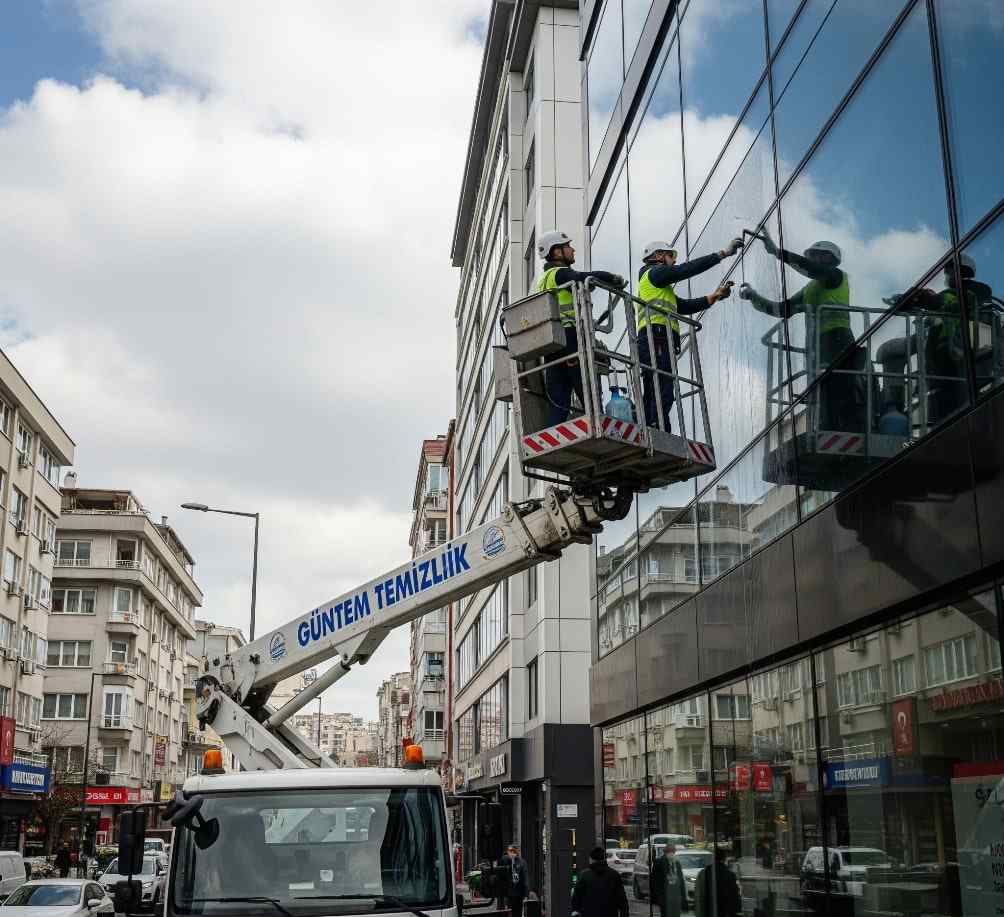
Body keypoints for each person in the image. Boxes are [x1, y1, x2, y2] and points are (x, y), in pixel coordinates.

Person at [740, 233, 866, 432]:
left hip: (838, 339)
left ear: (828, 258)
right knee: (823, 394)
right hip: (817, 347)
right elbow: (781, 310)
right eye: (811, 255)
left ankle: (847, 430)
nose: (811, 259)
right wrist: (754, 297)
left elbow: (811, 269)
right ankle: (828, 429)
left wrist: (777, 253)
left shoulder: (835, 275)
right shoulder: (810, 289)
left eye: (815, 255)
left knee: (841, 390)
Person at [636, 239, 740, 431]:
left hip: (655, 338)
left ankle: (654, 427)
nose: (674, 261)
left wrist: (715, 296)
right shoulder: (654, 273)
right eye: (670, 256)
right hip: (656, 336)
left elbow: (683, 306)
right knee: (663, 389)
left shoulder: (656, 285)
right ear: (658, 256)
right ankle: (655, 427)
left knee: (655, 388)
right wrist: (722, 254)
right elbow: (685, 270)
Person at [536, 230, 626, 426]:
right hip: (569, 338)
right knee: (588, 393)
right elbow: (583, 277)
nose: (573, 249)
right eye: (568, 246)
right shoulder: (561, 273)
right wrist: (612, 278)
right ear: (557, 252)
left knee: (559, 402)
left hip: (552, 344)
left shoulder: (543, 279)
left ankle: (554, 442)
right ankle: (601, 427)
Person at [570, 846, 629, 917]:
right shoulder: (614, 875)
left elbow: (576, 898)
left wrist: (575, 911)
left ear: (591, 859)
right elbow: (622, 901)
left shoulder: (584, 875)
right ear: (604, 859)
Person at [694, 851, 740, 917]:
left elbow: (699, 894)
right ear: (724, 859)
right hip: (724, 910)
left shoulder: (704, 873)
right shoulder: (729, 874)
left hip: (709, 909)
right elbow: (734, 895)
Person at [651, 844, 686, 917]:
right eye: (670, 851)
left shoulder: (676, 863)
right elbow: (655, 881)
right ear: (665, 852)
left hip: (675, 897)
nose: (672, 853)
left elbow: (681, 881)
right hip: (665, 896)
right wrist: (658, 898)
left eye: (673, 851)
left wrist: (683, 897)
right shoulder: (659, 862)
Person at [500, 843, 530, 917]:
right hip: (508, 892)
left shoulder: (522, 862)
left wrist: (526, 893)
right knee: (509, 911)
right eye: (510, 851)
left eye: (513, 851)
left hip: (518, 892)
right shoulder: (505, 860)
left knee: (517, 912)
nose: (511, 853)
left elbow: (525, 878)